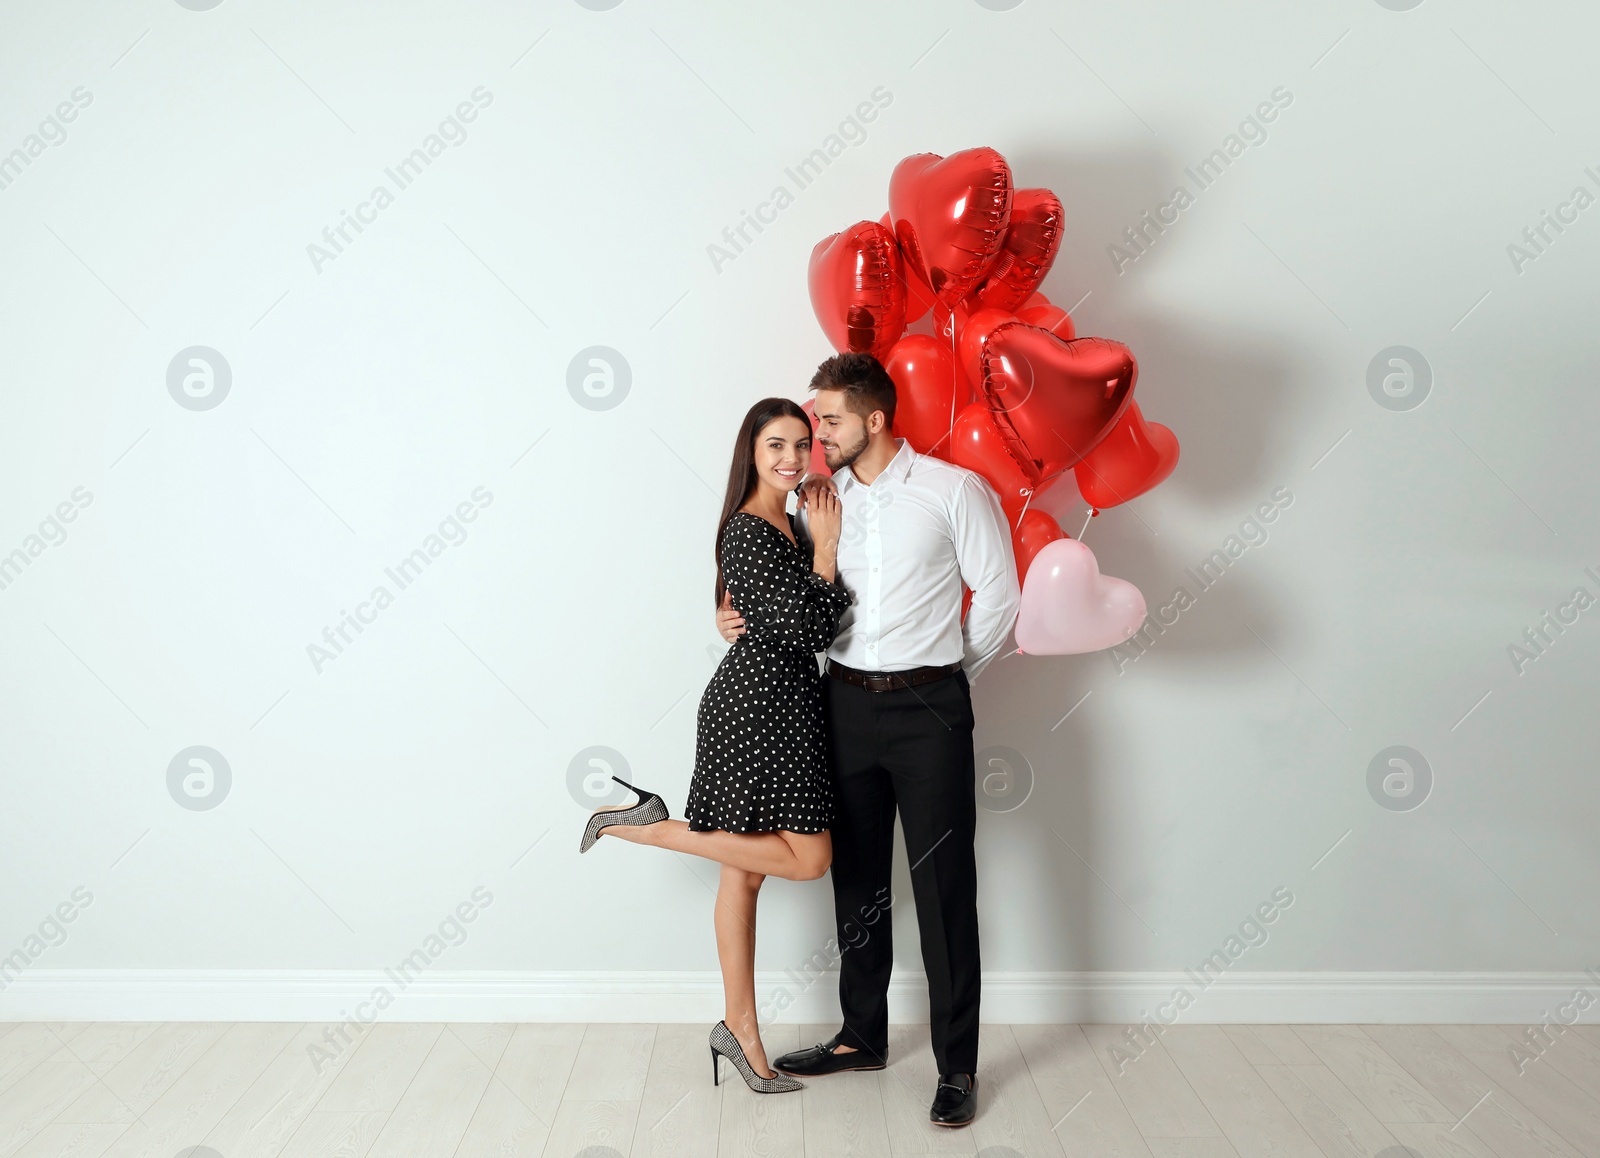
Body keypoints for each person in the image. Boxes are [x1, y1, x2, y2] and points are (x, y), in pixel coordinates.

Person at [716, 351, 1021, 1128]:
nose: (816, 435)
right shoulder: (813, 501)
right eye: (814, 422)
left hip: (931, 707)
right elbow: (762, 585)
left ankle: (956, 1065)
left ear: (875, 419)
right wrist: (726, 615)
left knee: (945, 887)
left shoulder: (955, 490)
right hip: (841, 704)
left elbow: (999, 596)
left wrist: (949, 680)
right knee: (855, 879)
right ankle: (861, 1035)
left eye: (829, 421)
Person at [579, 396, 853, 1096]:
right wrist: (826, 549)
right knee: (810, 860)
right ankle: (653, 826)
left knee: (746, 874)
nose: (792, 458)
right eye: (776, 447)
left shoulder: (786, 523)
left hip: (783, 704)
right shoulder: (750, 531)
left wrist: (811, 555)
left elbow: (797, 616)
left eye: (801, 445)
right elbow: (812, 627)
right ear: (751, 455)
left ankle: (740, 1029)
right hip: (758, 711)